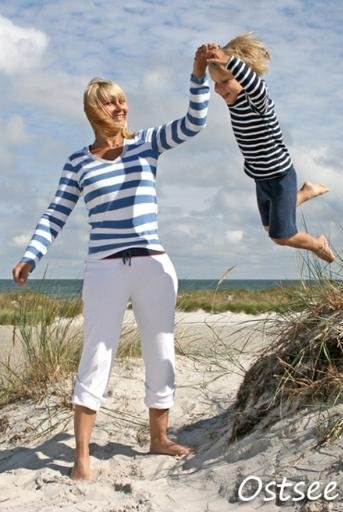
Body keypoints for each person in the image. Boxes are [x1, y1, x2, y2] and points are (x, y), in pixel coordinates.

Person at [11, 44, 213, 480]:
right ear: (93, 109)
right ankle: (81, 456)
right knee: (96, 355)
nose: (121, 107)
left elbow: (194, 123)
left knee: (161, 352)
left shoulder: (147, 145)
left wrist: (197, 74)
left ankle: (159, 438)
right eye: (112, 100)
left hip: (152, 265)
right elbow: (56, 213)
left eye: (123, 100)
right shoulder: (78, 161)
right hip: (103, 267)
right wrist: (31, 255)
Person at [205, 33, 335, 263]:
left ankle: (318, 243)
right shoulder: (234, 102)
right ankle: (306, 192)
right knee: (269, 226)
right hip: (260, 178)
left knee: (281, 235)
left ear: (243, 77)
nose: (219, 89)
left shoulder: (257, 99)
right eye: (216, 83)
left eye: (225, 81)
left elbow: (254, 84)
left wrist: (228, 59)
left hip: (280, 176)